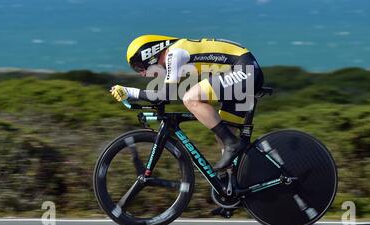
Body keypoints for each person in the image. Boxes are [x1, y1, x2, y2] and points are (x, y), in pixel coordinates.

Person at [110, 35, 264, 170]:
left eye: (139, 67)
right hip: (242, 72)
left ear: (149, 53)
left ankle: (232, 144)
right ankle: (239, 184)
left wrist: (129, 91)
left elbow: (163, 95)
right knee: (224, 139)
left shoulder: (175, 53)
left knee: (191, 99)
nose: (142, 74)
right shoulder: (177, 52)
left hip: (245, 70)